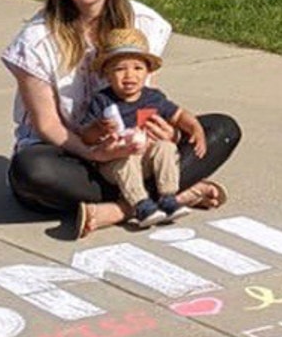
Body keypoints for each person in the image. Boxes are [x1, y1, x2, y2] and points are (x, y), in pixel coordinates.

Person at [1, 0, 241, 237]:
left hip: (131, 151)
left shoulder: (142, 22)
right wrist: (94, 152)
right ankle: (170, 196)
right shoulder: (36, 39)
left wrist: (164, 133)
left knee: (221, 130)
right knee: (30, 171)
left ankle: (118, 210)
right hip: (69, 153)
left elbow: (141, 98)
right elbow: (48, 126)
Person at [80, 28, 205, 228]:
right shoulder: (102, 101)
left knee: (166, 147)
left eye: (138, 68)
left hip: (145, 160)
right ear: (107, 74)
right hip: (114, 163)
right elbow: (85, 136)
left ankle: (168, 198)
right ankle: (141, 205)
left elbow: (179, 115)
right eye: (120, 69)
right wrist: (98, 128)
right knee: (126, 158)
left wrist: (195, 128)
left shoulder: (153, 98)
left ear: (148, 72)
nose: (129, 75)